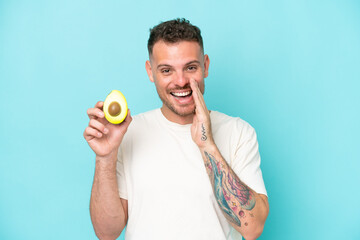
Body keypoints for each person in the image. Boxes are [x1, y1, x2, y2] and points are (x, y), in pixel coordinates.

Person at [84, 18, 269, 240]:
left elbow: (253, 228)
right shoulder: (129, 134)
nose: (180, 81)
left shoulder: (239, 133)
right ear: (150, 71)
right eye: (166, 70)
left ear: (206, 66)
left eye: (190, 67)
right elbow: (106, 233)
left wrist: (206, 143)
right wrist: (105, 157)